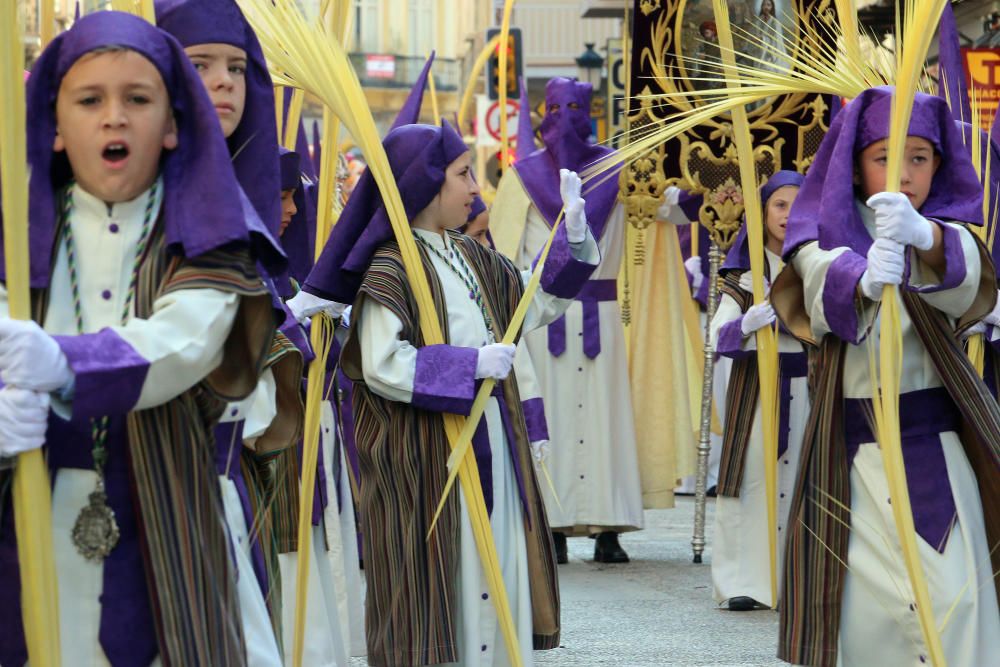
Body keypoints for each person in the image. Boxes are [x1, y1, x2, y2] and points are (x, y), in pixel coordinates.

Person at [0, 11, 280, 665]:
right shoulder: (19, 227)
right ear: (57, 127)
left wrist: (65, 362)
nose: (114, 118)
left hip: (171, 513)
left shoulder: (207, 231)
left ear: (175, 124)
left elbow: (184, 339)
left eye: (138, 99)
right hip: (32, 518)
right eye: (90, 100)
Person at [292, 118, 599, 665]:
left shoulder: (470, 254)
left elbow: (532, 304)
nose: (475, 187)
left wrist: (572, 238)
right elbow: (382, 363)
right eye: (462, 174)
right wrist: (469, 364)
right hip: (424, 457)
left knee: (494, 564)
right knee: (436, 578)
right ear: (423, 183)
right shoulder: (390, 267)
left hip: (491, 447)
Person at [772, 88, 1000, 666]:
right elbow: (813, 277)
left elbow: (970, 282)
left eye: (919, 157)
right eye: (884, 157)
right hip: (852, 459)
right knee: (868, 615)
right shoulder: (819, 239)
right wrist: (863, 277)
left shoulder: (947, 236)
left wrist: (927, 239)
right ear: (853, 164)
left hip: (936, 450)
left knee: (956, 602)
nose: (903, 171)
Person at [492, 77, 644, 563]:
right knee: (550, 414)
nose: (565, 118)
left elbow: (658, 214)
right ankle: (551, 522)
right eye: (555, 108)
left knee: (605, 417)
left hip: (602, 311)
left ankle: (608, 525)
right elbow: (502, 246)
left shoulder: (619, 171)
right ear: (542, 115)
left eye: (575, 107)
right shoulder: (519, 178)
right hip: (544, 315)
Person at [708, 170, 807, 611]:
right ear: (763, 212)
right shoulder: (744, 275)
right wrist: (744, 326)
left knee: (805, 474)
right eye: (778, 205)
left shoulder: (821, 262)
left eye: (796, 204)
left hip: (809, 385)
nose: (787, 215)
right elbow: (715, 336)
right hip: (757, 388)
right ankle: (745, 579)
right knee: (752, 478)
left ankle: (802, 577)